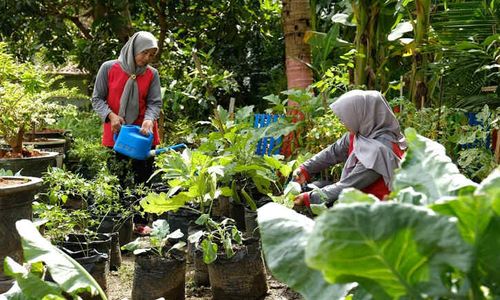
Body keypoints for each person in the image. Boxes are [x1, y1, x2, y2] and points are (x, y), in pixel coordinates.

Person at [292, 90, 406, 208]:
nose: (342, 122)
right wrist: (305, 169)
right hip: (358, 199)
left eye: (345, 117)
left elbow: (348, 186)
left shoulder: (379, 151)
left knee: (319, 197)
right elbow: (334, 152)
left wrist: (308, 199)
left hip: (376, 212)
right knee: (317, 186)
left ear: (361, 115)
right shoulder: (360, 135)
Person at [91, 31, 162, 184]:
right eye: (144, 53)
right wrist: (111, 115)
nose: (147, 58)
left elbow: (154, 102)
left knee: (143, 181)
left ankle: (142, 208)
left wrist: (150, 119)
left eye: (152, 55)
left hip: (143, 133)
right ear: (134, 48)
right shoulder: (109, 68)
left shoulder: (152, 74)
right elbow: (97, 99)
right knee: (117, 180)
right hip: (117, 131)